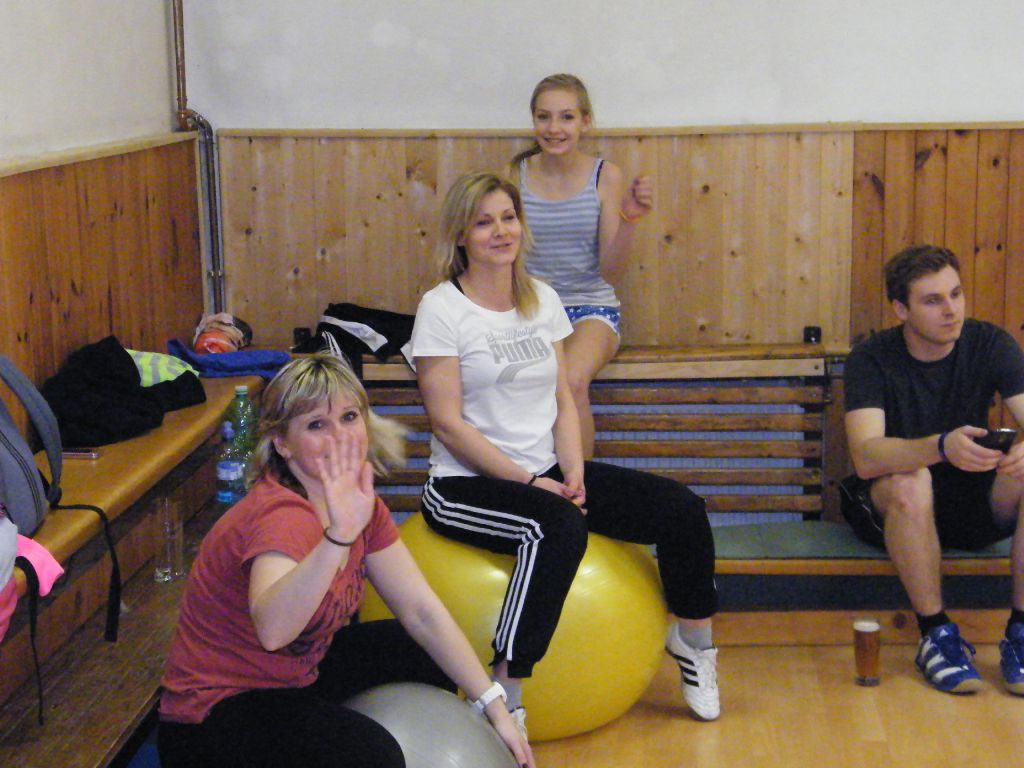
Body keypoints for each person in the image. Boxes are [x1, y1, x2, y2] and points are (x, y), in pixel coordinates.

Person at [409, 171, 720, 731]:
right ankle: (504, 692)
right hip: (463, 485)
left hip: (547, 471)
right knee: (554, 528)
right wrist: (532, 485)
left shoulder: (541, 299)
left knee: (681, 509)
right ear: (460, 234)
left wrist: (572, 472)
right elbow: (448, 425)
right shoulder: (441, 308)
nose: (500, 232)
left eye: (508, 218)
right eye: (483, 222)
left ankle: (694, 643)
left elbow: (561, 398)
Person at [157, 354, 534, 768]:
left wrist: (494, 705)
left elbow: (421, 611)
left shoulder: (360, 506)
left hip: (294, 678)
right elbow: (273, 631)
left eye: (349, 417)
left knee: (420, 652)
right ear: (282, 443)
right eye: (316, 425)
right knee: (373, 755)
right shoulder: (281, 515)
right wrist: (338, 536)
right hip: (214, 715)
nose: (340, 436)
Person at [842, 244, 1024, 695]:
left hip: (974, 499)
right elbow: (866, 456)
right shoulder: (871, 358)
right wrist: (941, 447)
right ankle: (936, 635)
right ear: (901, 309)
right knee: (912, 479)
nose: (951, 310)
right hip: (893, 503)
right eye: (933, 300)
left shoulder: (990, 343)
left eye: (956, 294)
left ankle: (1021, 632)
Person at [509, 73, 653, 458]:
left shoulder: (605, 175)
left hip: (590, 308)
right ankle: (528, 482)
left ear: (585, 122)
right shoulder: (514, 175)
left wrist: (629, 219)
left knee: (570, 381)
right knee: (513, 384)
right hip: (530, 307)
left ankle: (581, 487)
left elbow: (610, 272)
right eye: (543, 117)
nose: (554, 128)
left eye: (567, 117)